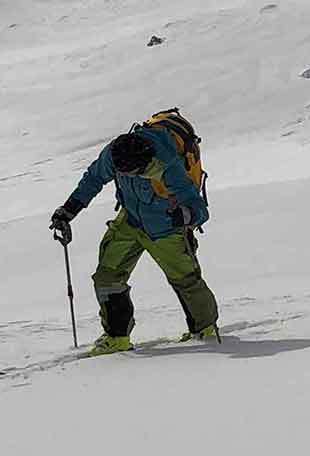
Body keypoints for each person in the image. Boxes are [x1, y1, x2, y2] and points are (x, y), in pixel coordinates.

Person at [48, 114, 218, 357]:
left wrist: (186, 216)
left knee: (186, 280)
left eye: (138, 172)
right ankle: (117, 338)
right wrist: (68, 210)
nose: (132, 176)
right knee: (107, 277)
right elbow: (94, 178)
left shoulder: (168, 164)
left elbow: (199, 208)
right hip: (130, 219)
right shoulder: (114, 154)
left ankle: (205, 329)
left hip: (166, 228)